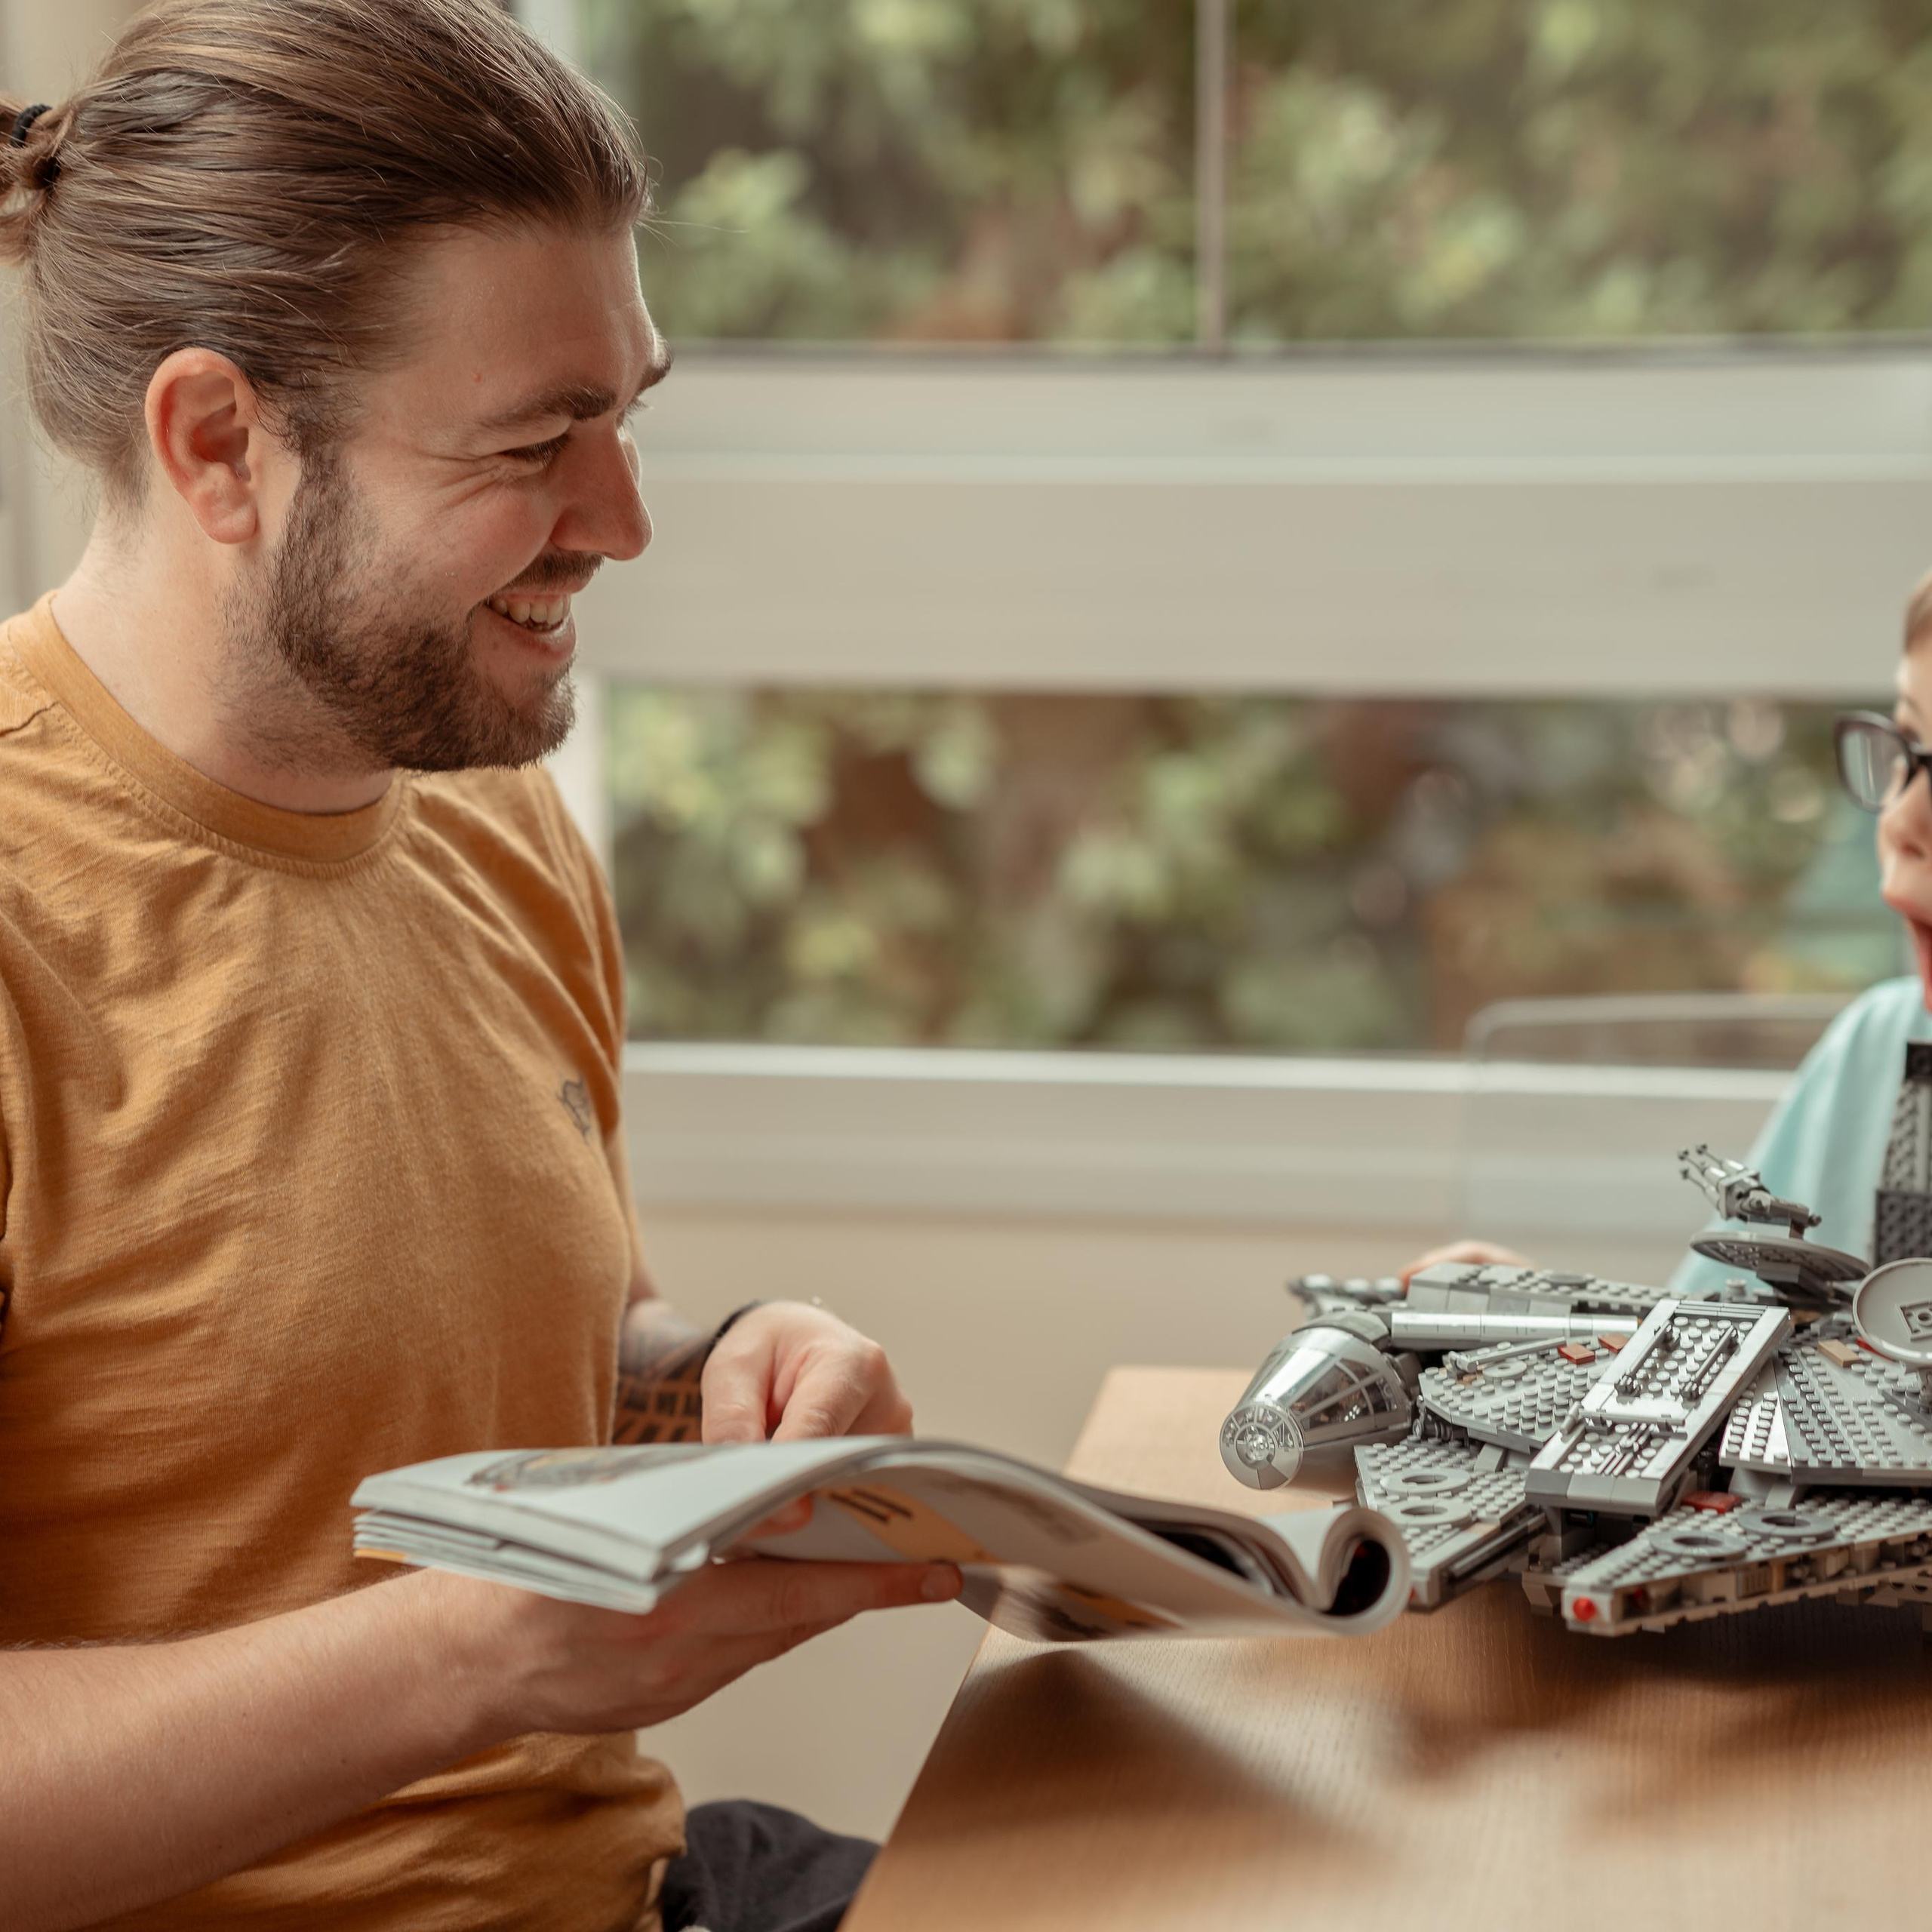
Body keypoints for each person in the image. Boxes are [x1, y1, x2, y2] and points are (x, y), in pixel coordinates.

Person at [0, 6, 961, 1930]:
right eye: (537, 442)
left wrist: (709, 1375)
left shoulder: (477, 800)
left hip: (643, 1879)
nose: (620, 520)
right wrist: (467, 1654)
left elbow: (411, 1373)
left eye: (627, 411)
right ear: (218, 444)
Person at [1404, 567, 1932, 1294]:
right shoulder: (1878, 1054)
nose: (1903, 820)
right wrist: (1577, 1329)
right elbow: (1716, 1339)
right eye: (1908, 744)